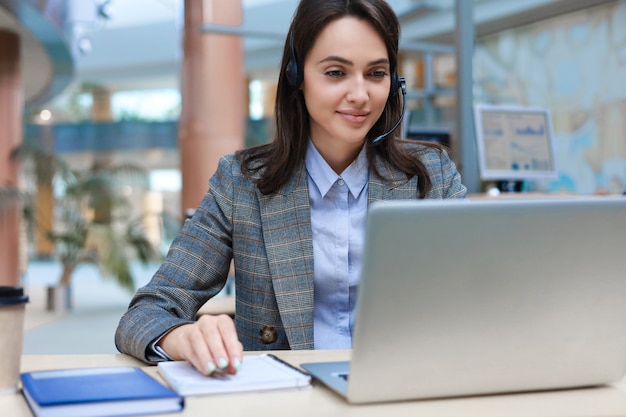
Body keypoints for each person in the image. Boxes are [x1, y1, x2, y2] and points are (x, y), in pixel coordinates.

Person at [115, 0, 466, 377]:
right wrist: (184, 336)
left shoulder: (432, 176)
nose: (360, 95)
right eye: (336, 72)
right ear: (297, 77)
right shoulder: (241, 182)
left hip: (404, 389)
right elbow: (145, 313)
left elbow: (484, 292)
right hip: (289, 399)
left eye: (376, 73)